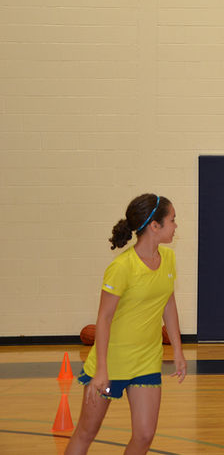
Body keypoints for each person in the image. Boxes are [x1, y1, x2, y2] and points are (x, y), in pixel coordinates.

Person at [65, 194, 187, 455]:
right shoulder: (121, 267)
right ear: (154, 226)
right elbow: (104, 318)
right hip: (111, 363)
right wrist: (101, 370)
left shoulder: (169, 259)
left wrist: (178, 350)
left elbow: (169, 304)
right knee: (86, 433)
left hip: (146, 361)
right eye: (172, 220)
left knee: (144, 436)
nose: (176, 226)